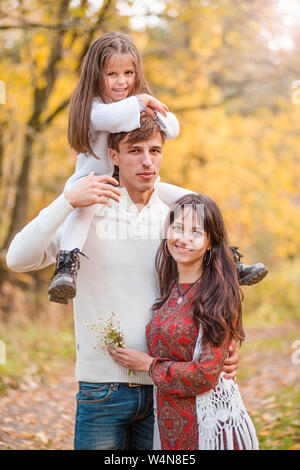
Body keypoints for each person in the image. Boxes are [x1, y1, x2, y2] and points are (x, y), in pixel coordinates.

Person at [6, 115, 240, 450]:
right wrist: (68, 200)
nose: (147, 161)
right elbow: (17, 258)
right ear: (113, 155)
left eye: (155, 150)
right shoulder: (85, 215)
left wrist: (222, 348)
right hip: (102, 390)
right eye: (135, 151)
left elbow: (210, 288)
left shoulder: (175, 222)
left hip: (167, 390)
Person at [47, 31, 267, 305]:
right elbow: (112, 118)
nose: (121, 81)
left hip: (140, 183)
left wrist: (152, 110)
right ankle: (66, 269)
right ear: (96, 76)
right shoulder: (94, 109)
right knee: (81, 213)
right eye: (112, 74)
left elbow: (172, 128)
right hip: (96, 183)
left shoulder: (138, 103)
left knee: (198, 202)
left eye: (128, 72)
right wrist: (140, 103)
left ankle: (228, 260)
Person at [108, 192, 259, 450]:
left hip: (211, 429)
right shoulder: (169, 291)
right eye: (177, 228)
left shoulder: (217, 295)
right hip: (170, 427)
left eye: (195, 232)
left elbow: (205, 375)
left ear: (211, 242)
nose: (183, 238)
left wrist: (148, 365)